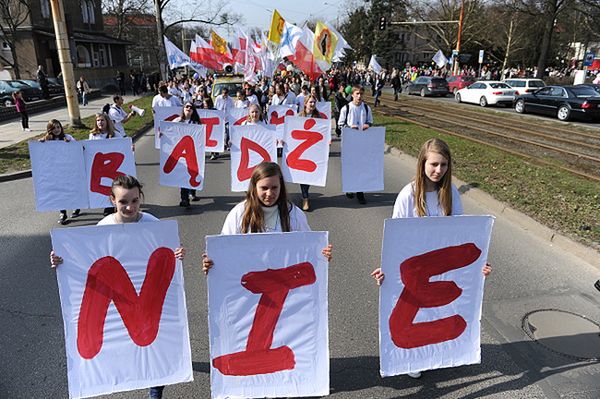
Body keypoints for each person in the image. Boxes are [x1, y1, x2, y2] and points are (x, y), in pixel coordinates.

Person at [49, 175, 185, 399]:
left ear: (140, 198)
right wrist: (60, 260)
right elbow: (86, 261)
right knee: (129, 343)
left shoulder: (153, 225)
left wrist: (177, 254)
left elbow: (166, 258)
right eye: (123, 201)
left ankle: (155, 391)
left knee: (156, 346)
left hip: (148, 297)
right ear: (112, 200)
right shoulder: (103, 227)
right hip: (121, 300)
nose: (130, 207)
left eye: (134, 200)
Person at [370, 138, 492, 379]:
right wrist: (386, 268)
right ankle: (416, 358)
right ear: (422, 163)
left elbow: (461, 234)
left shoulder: (451, 193)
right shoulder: (408, 195)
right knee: (412, 318)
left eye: (444, 165)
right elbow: (396, 238)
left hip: (439, 266)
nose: (439, 171)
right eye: (434, 164)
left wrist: (479, 265)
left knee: (440, 310)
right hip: (416, 270)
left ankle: (434, 353)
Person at [202, 162, 332, 273]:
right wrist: (212, 263)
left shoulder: (294, 214)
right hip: (249, 289)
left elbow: (308, 247)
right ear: (254, 187)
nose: (269, 193)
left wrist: (321, 254)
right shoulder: (239, 213)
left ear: (281, 187)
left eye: (274, 187)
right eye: (264, 188)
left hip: (284, 289)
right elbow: (224, 248)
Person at [337, 85, 373, 205]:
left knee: (361, 167)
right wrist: (349, 128)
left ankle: (360, 192)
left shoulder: (366, 108)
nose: (359, 96)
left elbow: (370, 121)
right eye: (357, 94)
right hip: (349, 142)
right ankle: (349, 187)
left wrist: (367, 125)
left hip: (362, 142)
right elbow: (340, 124)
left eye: (361, 94)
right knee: (350, 166)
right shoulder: (346, 108)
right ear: (352, 95)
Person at [39, 119, 80, 224]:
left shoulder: (68, 137)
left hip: (68, 170)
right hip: (55, 172)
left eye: (58, 127)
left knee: (70, 190)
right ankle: (63, 212)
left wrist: (70, 144)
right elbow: (40, 153)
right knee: (59, 191)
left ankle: (76, 205)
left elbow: (79, 148)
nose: (56, 130)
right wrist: (40, 144)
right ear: (49, 129)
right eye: (53, 128)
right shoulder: (47, 140)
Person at [296, 95, 325, 211]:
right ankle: (305, 197)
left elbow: (323, 132)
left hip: (314, 150)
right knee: (303, 175)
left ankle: (305, 195)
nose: (312, 104)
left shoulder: (319, 117)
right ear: (305, 104)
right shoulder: (299, 116)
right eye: (310, 102)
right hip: (302, 150)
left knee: (310, 173)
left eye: (314, 102)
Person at [172, 101, 202, 208]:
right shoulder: (176, 121)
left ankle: (192, 192)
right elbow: (169, 132)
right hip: (181, 153)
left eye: (191, 107)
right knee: (183, 175)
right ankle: (184, 199)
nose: (188, 108)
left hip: (193, 153)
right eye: (186, 106)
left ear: (193, 110)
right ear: (183, 109)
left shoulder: (197, 123)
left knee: (192, 173)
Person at [89, 113, 119, 216]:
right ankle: (108, 205)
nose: (100, 123)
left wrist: (130, 148)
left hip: (112, 165)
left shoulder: (115, 134)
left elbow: (122, 147)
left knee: (113, 185)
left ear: (107, 122)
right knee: (103, 186)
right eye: (98, 121)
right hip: (99, 167)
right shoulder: (93, 135)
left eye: (102, 120)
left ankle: (111, 206)